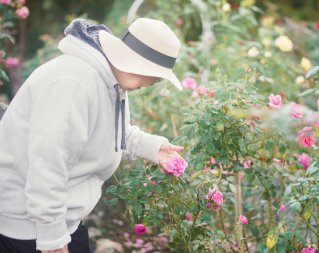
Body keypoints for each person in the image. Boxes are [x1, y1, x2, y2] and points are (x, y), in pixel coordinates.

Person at [0, 18, 184, 253]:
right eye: (157, 75)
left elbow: (108, 133)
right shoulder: (73, 83)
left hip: (61, 221)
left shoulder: (111, 81)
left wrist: (151, 147)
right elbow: (47, 163)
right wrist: (52, 240)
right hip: (28, 229)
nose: (155, 82)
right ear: (140, 64)